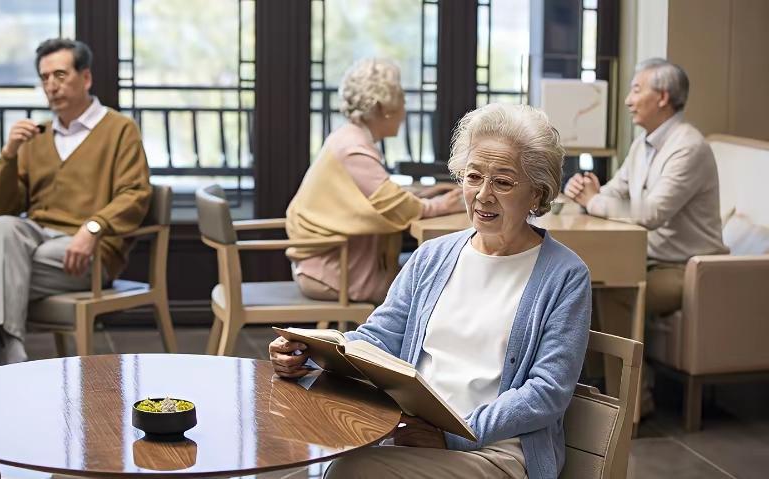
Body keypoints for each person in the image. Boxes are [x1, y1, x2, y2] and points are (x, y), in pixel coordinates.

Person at [271, 103, 592, 479]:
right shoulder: (432, 256)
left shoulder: (566, 275)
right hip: (413, 436)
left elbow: (546, 392)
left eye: (503, 182)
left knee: (348, 472)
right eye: (473, 177)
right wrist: (307, 354)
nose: (483, 195)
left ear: (537, 194)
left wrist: (452, 436)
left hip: (497, 450)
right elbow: (378, 338)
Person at [0, 38, 152, 371]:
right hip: (35, 239)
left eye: (60, 75)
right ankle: (12, 350)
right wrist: (9, 155)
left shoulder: (120, 130)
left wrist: (92, 228)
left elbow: (135, 194)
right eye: (44, 78)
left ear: (86, 78)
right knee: (2, 226)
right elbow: (6, 207)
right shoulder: (36, 136)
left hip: (89, 251)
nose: (51, 86)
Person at [285, 58, 464, 305]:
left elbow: (378, 197)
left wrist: (423, 196)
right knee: (441, 280)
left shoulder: (348, 138)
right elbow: (396, 205)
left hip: (330, 263)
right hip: (336, 271)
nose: (404, 110)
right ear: (383, 108)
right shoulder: (353, 148)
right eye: (401, 100)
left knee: (435, 274)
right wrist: (441, 206)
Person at [564, 58, 727, 317]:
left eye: (636, 90)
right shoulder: (642, 143)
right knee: (578, 283)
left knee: (605, 293)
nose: (628, 101)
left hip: (685, 267)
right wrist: (585, 191)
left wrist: (593, 201)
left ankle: (623, 348)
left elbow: (652, 213)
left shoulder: (689, 147)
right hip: (645, 258)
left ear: (663, 97)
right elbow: (616, 189)